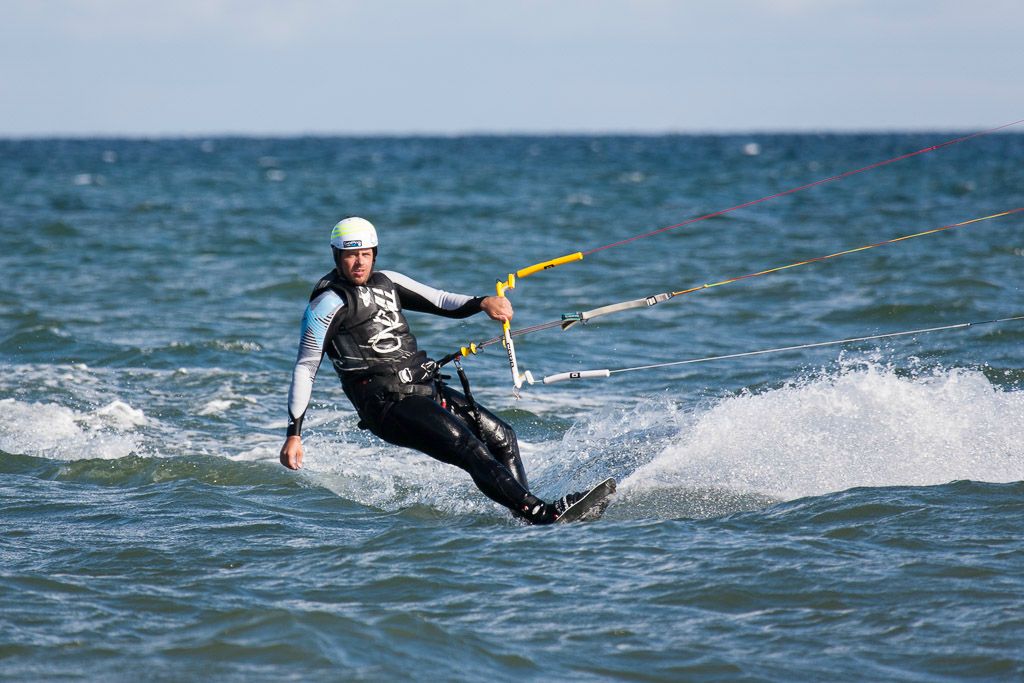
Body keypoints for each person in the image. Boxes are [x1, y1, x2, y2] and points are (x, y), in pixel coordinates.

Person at [279, 217, 583, 524]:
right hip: (387, 405)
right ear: (337, 256)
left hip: (424, 388)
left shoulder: (388, 282)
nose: (359, 262)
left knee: (503, 437)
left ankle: (525, 517)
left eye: (366, 254)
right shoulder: (327, 305)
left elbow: (439, 300)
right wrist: (294, 434)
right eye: (350, 255)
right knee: (470, 449)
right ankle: (545, 514)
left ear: (375, 253)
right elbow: (305, 367)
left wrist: (483, 303)